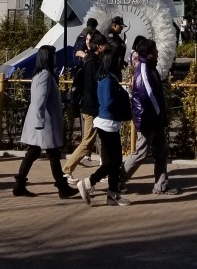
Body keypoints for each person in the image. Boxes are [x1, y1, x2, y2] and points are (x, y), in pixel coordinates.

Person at [13, 45, 76, 199]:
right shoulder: (45, 75)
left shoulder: (40, 74)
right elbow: (40, 99)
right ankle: (62, 187)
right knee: (52, 154)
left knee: (34, 153)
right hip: (44, 123)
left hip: (41, 122)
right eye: (53, 55)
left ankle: (20, 184)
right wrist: (39, 121)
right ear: (48, 57)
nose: (55, 58)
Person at [120, 37, 179, 196]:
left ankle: (161, 185)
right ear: (149, 54)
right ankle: (118, 178)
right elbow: (148, 95)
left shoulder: (150, 67)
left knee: (161, 150)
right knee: (141, 152)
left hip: (154, 118)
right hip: (147, 118)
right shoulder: (144, 69)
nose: (158, 53)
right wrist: (158, 112)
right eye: (155, 51)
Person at [76, 50, 132, 206]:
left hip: (109, 124)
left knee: (114, 161)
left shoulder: (107, 78)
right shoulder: (107, 80)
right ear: (111, 62)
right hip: (107, 124)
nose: (121, 63)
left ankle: (112, 194)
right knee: (113, 162)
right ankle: (88, 182)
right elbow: (107, 102)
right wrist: (121, 101)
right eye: (118, 60)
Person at [63, 30, 108, 178]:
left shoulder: (91, 61)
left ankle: (107, 170)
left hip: (92, 107)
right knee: (87, 142)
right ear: (99, 46)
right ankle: (67, 169)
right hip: (91, 108)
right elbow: (92, 89)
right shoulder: (92, 63)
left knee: (103, 139)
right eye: (104, 45)